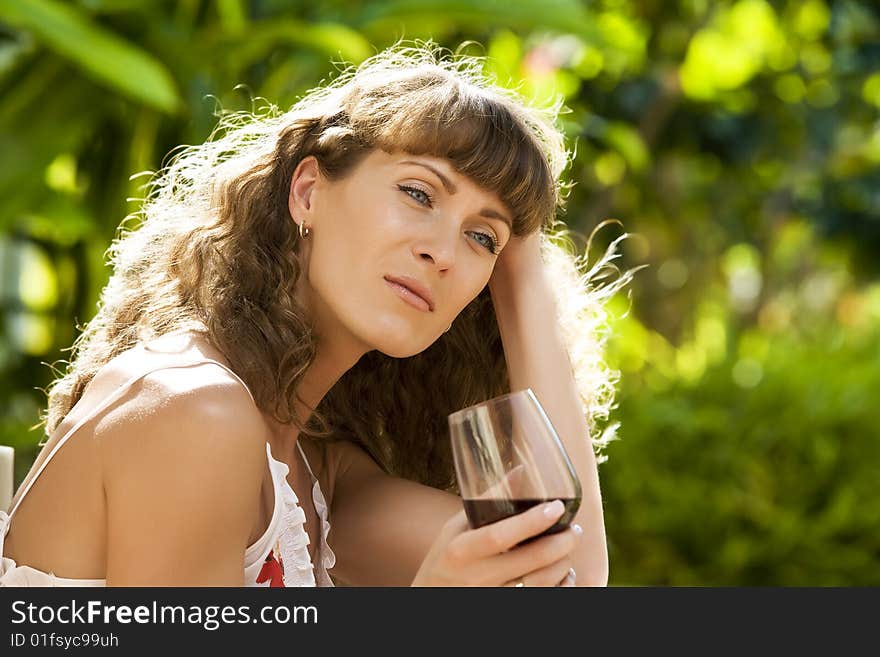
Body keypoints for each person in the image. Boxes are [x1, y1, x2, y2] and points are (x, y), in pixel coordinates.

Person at [0, 42, 626, 587]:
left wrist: (519, 277)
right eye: (418, 193)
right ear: (307, 191)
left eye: (480, 238)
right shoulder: (196, 410)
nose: (442, 252)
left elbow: (564, 576)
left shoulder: (316, 470)